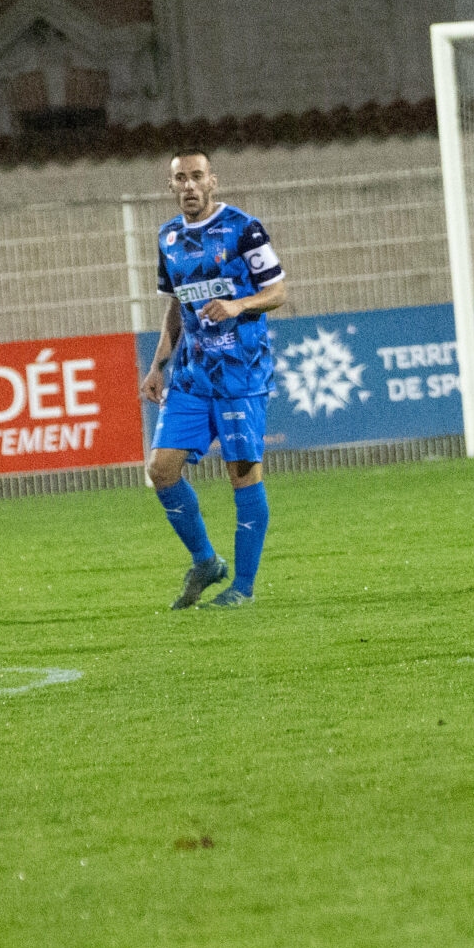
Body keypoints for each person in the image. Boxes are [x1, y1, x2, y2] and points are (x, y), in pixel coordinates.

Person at [140, 151, 287, 610]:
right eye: (180, 178)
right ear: (171, 186)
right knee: (161, 470)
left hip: (240, 374)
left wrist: (240, 306)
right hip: (191, 375)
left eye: (196, 177)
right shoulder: (168, 237)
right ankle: (205, 561)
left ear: (213, 182)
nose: (189, 185)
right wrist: (158, 364)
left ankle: (241, 587)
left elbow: (278, 291)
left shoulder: (245, 228)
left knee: (242, 475)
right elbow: (177, 307)